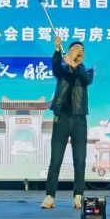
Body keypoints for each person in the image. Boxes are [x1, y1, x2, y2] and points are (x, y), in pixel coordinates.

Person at [42, 38, 92, 210]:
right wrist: (57, 50)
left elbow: (84, 80)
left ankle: (78, 196)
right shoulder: (62, 71)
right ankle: (50, 197)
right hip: (61, 119)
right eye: (76, 48)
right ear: (69, 51)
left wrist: (74, 65)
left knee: (79, 161)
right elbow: (56, 67)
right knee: (56, 160)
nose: (80, 50)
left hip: (79, 121)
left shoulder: (87, 71)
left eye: (82, 49)